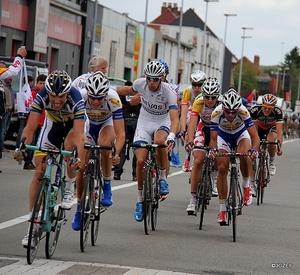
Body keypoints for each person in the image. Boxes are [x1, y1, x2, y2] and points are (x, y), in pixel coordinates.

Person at [14, 70, 85, 246]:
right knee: (39, 171)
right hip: (52, 126)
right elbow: (30, 129)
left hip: (72, 128)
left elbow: (78, 136)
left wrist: (78, 157)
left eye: (61, 96)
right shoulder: (42, 96)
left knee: (70, 148)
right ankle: (31, 227)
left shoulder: (77, 99)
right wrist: (21, 148)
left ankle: (69, 187)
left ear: (68, 92)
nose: (56, 100)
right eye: (53, 96)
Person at [71, 72, 125, 230]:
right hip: (88, 125)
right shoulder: (80, 97)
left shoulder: (113, 99)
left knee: (104, 144)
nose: (95, 101)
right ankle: (79, 208)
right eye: (92, 97)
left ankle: (107, 185)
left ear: (106, 95)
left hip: (105, 124)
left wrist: (116, 153)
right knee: (81, 168)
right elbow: (75, 129)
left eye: (99, 98)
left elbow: (121, 133)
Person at [131, 61, 179, 222]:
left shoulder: (169, 92)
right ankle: (139, 201)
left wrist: (172, 135)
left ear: (162, 78)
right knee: (140, 161)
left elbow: (174, 118)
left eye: (155, 79)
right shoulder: (140, 84)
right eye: (149, 78)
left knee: (159, 141)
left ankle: (163, 178)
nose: (151, 82)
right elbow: (126, 92)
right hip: (144, 122)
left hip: (162, 122)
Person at [209, 88, 260, 224]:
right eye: (227, 111)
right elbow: (213, 139)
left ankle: (246, 185)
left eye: (233, 112)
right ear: (223, 107)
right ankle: (222, 210)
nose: (230, 114)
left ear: (238, 109)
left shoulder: (244, 111)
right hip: (223, 136)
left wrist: (254, 149)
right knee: (222, 168)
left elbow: (255, 137)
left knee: (244, 155)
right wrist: (213, 149)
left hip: (240, 134)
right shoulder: (216, 112)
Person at [185, 77, 222, 215]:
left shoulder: (222, 103)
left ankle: (215, 175)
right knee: (198, 161)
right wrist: (190, 140)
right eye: (207, 97)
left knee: (219, 154)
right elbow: (193, 124)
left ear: (218, 96)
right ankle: (193, 200)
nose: (210, 100)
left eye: (213, 97)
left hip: (219, 129)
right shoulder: (198, 102)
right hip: (203, 127)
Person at [249, 94, 283, 190]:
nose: (267, 110)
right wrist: (256, 145)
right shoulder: (255, 110)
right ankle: (251, 183)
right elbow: (254, 130)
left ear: (275, 106)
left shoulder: (278, 111)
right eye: (265, 107)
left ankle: (272, 162)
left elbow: (279, 131)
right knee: (253, 154)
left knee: (271, 140)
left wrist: (279, 147)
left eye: (270, 108)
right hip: (258, 128)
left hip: (271, 127)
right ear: (262, 104)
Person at [179, 70, 207, 172]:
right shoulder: (188, 91)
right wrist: (183, 129)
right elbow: (184, 111)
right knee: (189, 124)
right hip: (193, 110)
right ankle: (187, 158)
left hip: (204, 111)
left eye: (199, 85)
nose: (196, 88)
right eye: (194, 85)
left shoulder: (207, 91)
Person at [113, 80, 140, 181]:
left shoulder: (123, 96)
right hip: (137, 120)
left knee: (123, 146)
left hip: (125, 119)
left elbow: (120, 106)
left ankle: (117, 172)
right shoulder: (139, 94)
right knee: (136, 147)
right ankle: (135, 174)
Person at [0, 72, 15, 152]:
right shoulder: (4, 87)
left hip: (10, 110)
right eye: (8, 77)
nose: (10, 78)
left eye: (11, 77)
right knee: (2, 129)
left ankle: (2, 145)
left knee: (6, 129)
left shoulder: (10, 87)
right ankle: (1, 147)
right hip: (5, 110)